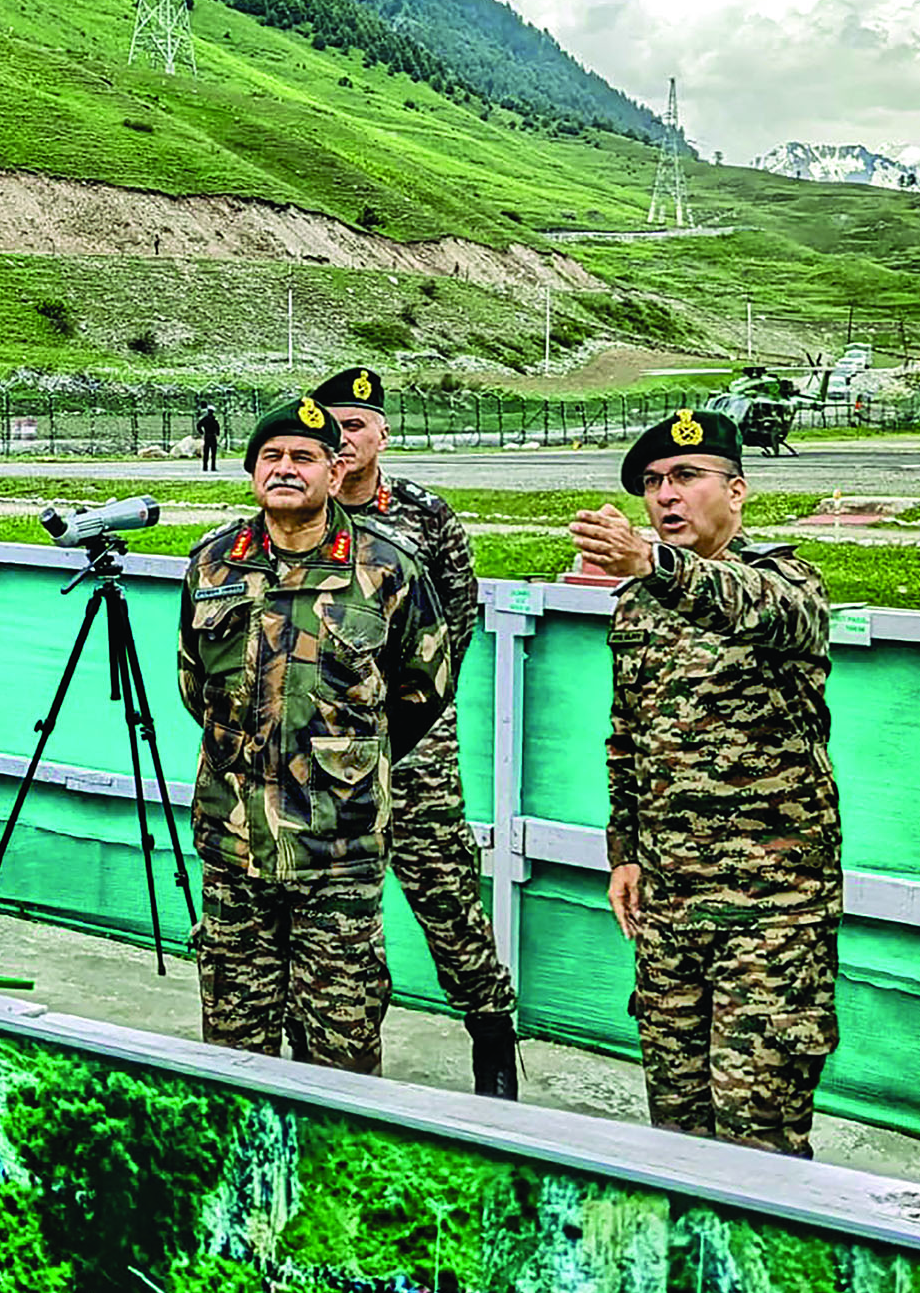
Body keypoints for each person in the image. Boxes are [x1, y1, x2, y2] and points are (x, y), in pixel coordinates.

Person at [570, 407, 840, 1158]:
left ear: (737, 491)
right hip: (669, 904)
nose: (664, 497)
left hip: (770, 910)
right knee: (677, 1130)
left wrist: (651, 565)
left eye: (686, 477)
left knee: (757, 1134)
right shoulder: (636, 602)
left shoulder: (784, 580)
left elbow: (762, 611)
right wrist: (623, 849)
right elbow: (628, 737)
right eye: (652, 484)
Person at [178, 395, 451, 1075]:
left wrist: (343, 761)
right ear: (251, 473)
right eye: (270, 457)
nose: (285, 468)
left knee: (340, 1049)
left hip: (340, 847)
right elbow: (194, 683)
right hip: (234, 842)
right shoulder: (213, 564)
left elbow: (422, 691)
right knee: (233, 1049)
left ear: (334, 470)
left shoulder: (387, 568)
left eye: (303, 457)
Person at [313, 366, 518, 1098]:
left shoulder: (426, 517)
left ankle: (492, 1034)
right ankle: (341, 1058)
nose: (342, 442)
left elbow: (455, 623)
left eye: (356, 427)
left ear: (381, 436)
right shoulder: (302, 508)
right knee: (332, 909)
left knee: (445, 892)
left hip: (415, 746)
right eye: (329, 429)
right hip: (324, 748)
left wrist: (407, 715)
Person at [196, 404, 221, 471]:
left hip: (206, 436)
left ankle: (205, 467)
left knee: (206, 452)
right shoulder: (214, 419)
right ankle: (213, 467)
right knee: (213, 453)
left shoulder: (205, 419)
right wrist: (217, 434)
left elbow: (198, 425)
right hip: (213, 436)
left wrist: (202, 432)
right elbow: (217, 428)